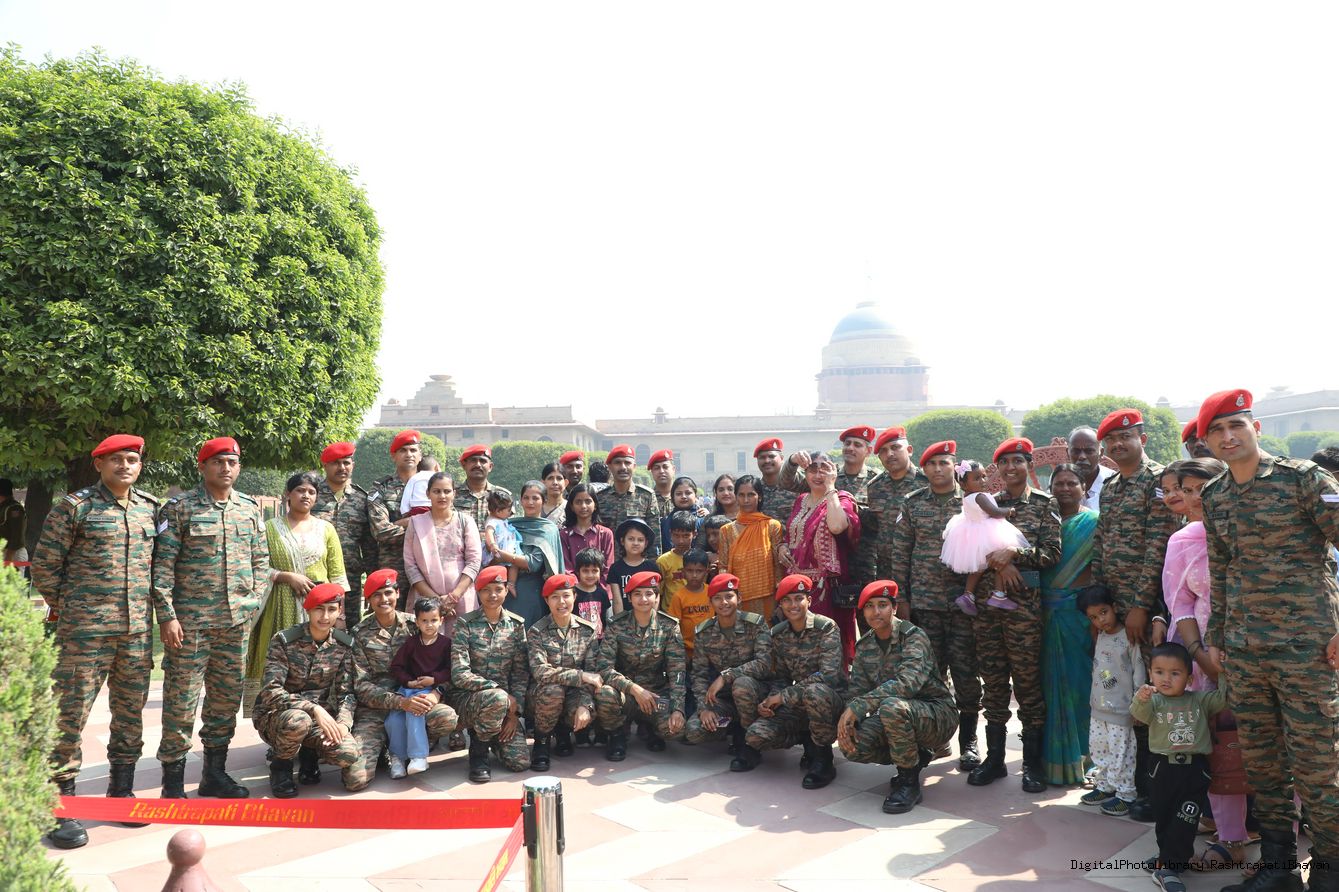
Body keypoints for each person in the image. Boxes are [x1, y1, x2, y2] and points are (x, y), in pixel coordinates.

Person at [1199, 388, 1339, 891]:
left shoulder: (1305, 479)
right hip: (1244, 651)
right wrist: (1218, 635)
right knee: (1262, 763)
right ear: (1208, 442)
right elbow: (1221, 568)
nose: (1228, 436)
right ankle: (1278, 868)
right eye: (1217, 430)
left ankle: (1330, 870)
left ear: (1255, 428)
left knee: (1318, 764)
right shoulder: (1214, 495)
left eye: (1236, 425)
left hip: (1308, 647)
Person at [33, 434, 158, 849]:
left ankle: (121, 792)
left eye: (132, 459)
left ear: (140, 465)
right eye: (116, 459)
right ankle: (60, 804)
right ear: (99, 464)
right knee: (69, 716)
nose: (125, 466)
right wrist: (72, 607)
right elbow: (45, 566)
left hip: (135, 633)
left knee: (130, 715)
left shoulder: (149, 508)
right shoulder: (75, 507)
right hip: (83, 634)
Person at [154, 437, 268, 800]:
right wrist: (167, 616)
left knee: (225, 701)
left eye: (232, 462)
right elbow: (163, 566)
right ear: (202, 467)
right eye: (218, 462)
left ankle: (214, 775)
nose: (226, 468)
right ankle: (172, 783)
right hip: (190, 626)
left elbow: (261, 561)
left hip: (234, 625)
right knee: (181, 702)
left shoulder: (249, 509)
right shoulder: (180, 509)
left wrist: (252, 603)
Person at [1161, 456, 1251, 871]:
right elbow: (1180, 604)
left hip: (1259, 653)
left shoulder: (1252, 529)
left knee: (1273, 746)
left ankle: (1281, 841)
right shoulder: (1182, 540)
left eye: (1203, 488)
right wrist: (1201, 655)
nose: (1195, 497)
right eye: (1188, 490)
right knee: (1217, 745)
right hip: (1204, 659)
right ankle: (1230, 837)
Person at [1091, 407, 1180, 823]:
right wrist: (1100, 607)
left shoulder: (1159, 482)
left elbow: (1158, 544)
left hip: (1146, 609)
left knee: (1150, 690)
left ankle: (1149, 788)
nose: (1118, 444)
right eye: (1111, 440)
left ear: (1142, 439)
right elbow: (1101, 542)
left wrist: (1141, 605)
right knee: (1124, 690)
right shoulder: (1110, 487)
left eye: (1125, 437)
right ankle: (1125, 779)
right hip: (1116, 610)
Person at [966, 438, 1061, 794]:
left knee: (1027, 685)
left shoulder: (1044, 504)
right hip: (988, 608)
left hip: (1024, 609)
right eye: (1004, 462)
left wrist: (1014, 554)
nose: (1010, 468)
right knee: (992, 683)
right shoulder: (988, 504)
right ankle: (994, 759)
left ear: (1028, 465)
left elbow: (1052, 553)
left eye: (1017, 461)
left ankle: (1032, 764)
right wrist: (998, 562)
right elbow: (970, 548)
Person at [888, 440, 981, 771]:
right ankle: (935, 737)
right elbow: (901, 553)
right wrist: (902, 599)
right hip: (925, 606)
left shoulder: (971, 501)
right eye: (932, 464)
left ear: (954, 466)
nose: (938, 469)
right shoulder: (913, 503)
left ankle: (969, 741)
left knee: (967, 674)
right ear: (924, 469)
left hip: (963, 605)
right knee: (930, 674)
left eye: (944, 463)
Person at [837, 580, 956, 815]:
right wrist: (849, 721)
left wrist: (859, 706)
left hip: (936, 713)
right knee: (852, 746)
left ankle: (908, 782)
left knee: (892, 707)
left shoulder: (913, 637)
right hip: (897, 716)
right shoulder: (865, 645)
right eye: (869, 606)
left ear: (894, 608)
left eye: (882, 604)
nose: (876, 611)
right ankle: (918, 755)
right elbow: (856, 691)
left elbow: (906, 684)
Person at [342, 569, 457, 792]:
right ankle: (386, 749)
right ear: (369, 600)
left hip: (418, 698)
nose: (384, 599)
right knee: (355, 779)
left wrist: (437, 693)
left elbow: (447, 666)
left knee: (445, 718)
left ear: (397, 593)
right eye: (377, 595)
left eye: (388, 592)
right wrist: (400, 702)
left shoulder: (417, 623)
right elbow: (360, 685)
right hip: (376, 709)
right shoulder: (359, 633)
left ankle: (413, 749)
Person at [244, 471, 348, 717]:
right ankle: (275, 720)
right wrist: (285, 576)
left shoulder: (326, 529)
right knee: (281, 663)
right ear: (287, 494)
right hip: (280, 606)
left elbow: (338, 575)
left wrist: (340, 615)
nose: (306, 495)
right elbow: (256, 566)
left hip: (321, 611)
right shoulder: (270, 528)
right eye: (300, 490)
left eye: (311, 492)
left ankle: (315, 721)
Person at [1131, 643, 1229, 891]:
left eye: (1175, 673)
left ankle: (1169, 868)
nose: (1166, 678)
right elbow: (1139, 714)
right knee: (1164, 817)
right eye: (1159, 672)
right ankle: (1169, 856)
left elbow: (1222, 699)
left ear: (1189, 678)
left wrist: (1223, 671)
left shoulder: (1199, 700)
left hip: (1194, 770)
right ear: (1150, 674)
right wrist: (1141, 699)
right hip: (1162, 768)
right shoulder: (1154, 702)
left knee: (1186, 816)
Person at [252, 582, 360, 798]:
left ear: (339, 610)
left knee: (347, 753)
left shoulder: (344, 645)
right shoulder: (285, 641)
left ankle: (310, 753)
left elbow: (346, 692)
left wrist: (343, 724)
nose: (325, 616)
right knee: (298, 720)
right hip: (279, 717)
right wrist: (313, 709)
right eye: (319, 609)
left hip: (319, 720)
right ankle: (281, 767)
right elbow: (271, 690)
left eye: (331, 609)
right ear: (308, 610)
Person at [740, 574, 847, 788]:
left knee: (815, 692)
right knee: (756, 736)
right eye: (787, 600)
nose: (793, 605)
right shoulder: (779, 634)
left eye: (799, 598)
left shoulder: (826, 628)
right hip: (799, 702)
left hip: (831, 702)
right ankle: (807, 740)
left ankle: (823, 759)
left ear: (809, 600)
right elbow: (782, 677)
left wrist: (783, 697)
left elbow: (828, 675)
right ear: (780, 605)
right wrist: (771, 700)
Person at [1039, 463, 1098, 787]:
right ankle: (1052, 761)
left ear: (1084, 488)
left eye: (1071, 483)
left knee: (1080, 686)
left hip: (1078, 617)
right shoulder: (1041, 524)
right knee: (1047, 690)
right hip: (1042, 617)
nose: (1064, 488)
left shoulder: (1094, 523)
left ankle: (1087, 759)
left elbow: (1101, 571)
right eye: (1058, 483)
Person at [777, 450, 862, 667]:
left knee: (828, 646)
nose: (818, 474)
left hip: (827, 589)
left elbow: (837, 526)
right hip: (798, 588)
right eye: (813, 469)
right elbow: (792, 534)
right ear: (805, 474)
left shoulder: (841, 498)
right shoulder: (801, 500)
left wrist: (831, 488)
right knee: (801, 646)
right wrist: (783, 546)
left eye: (825, 469)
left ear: (834, 472)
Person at [594, 570, 687, 760]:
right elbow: (603, 667)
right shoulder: (617, 625)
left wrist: (678, 709)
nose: (643, 599)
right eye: (637, 594)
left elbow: (677, 671)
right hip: (626, 694)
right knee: (604, 694)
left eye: (649, 593)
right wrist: (634, 689)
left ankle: (651, 727)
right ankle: (617, 735)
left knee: (675, 730)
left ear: (657, 597)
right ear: (629, 598)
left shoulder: (669, 626)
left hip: (655, 695)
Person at [449, 566, 531, 782]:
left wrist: (514, 715)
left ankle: (492, 734)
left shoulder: (516, 625)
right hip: (468, 699)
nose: (492, 595)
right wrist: (499, 692)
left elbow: (520, 673)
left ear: (506, 590)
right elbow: (459, 673)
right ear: (478, 592)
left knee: (520, 762)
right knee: (496, 697)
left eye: (498, 589)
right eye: (486, 590)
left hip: (504, 706)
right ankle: (479, 752)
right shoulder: (465, 624)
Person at [684, 573, 774, 767]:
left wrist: (726, 676)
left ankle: (750, 746)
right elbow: (698, 675)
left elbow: (764, 664)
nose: (724, 602)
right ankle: (733, 727)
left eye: (729, 596)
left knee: (742, 684)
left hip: (757, 695)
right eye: (717, 598)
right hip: (726, 700)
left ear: (739, 598)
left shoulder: (755, 624)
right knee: (694, 730)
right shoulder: (704, 632)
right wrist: (704, 708)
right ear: (710, 602)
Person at [783, 426, 881, 586]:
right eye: (847, 443)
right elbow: (787, 482)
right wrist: (792, 461)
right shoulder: (825, 475)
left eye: (857, 445)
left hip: (866, 559)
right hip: (831, 561)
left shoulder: (877, 481)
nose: (850, 448)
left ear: (868, 451)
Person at [1077, 585, 1145, 818]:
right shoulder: (1101, 636)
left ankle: (1126, 795)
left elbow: (1138, 670)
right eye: (1093, 617)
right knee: (1100, 749)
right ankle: (1105, 786)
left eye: (1103, 612)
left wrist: (1138, 704)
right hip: (1098, 709)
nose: (1100, 620)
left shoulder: (1128, 636)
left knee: (1121, 753)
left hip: (1121, 711)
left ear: (1114, 608)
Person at [527, 573, 603, 770]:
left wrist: (585, 705)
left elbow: (593, 674)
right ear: (547, 601)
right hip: (543, 695)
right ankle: (542, 741)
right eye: (555, 597)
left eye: (566, 595)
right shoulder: (537, 632)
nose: (561, 602)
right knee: (553, 690)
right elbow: (541, 672)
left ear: (574, 597)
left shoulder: (588, 630)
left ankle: (564, 732)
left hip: (574, 694)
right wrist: (580, 675)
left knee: (595, 696)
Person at [313, 440, 393, 627]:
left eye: (346, 463)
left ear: (353, 465)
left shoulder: (361, 499)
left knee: (349, 626)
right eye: (336, 463)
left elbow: (369, 546)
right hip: (316, 575)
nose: (342, 467)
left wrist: (374, 584)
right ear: (325, 466)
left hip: (350, 578)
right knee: (315, 624)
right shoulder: (312, 495)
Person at [939, 459, 1029, 615]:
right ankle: (999, 594)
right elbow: (994, 512)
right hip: (987, 531)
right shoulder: (980, 496)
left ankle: (968, 594)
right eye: (977, 478)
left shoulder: (967, 496)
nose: (983, 481)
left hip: (971, 533)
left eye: (984, 476)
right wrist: (1008, 511)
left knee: (977, 568)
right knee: (1001, 561)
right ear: (964, 485)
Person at [404, 472, 481, 638]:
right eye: (436, 491)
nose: (442, 496)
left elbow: (474, 561)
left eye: (447, 491)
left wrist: (453, 597)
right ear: (428, 494)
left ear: (454, 493)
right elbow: (410, 566)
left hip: (461, 598)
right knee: (428, 646)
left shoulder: (465, 522)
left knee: (461, 644)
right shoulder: (416, 523)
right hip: (425, 600)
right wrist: (436, 600)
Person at [385, 596, 452, 777]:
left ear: (441, 620)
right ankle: (398, 758)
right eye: (424, 621)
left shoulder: (446, 644)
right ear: (417, 622)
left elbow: (450, 670)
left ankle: (418, 756)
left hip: (427, 691)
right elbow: (397, 667)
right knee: (393, 720)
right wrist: (408, 682)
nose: (429, 625)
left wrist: (434, 679)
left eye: (433, 620)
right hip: (407, 689)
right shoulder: (412, 643)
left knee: (415, 711)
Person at [494, 481, 564, 627]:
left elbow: (533, 563)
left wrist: (503, 555)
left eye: (535, 498)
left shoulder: (548, 529)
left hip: (533, 592)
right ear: (520, 500)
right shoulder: (509, 524)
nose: (530, 502)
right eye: (526, 498)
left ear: (544, 500)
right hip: (505, 591)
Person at [717, 474, 784, 619]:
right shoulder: (726, 531)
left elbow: (778, 566)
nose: (746, 500)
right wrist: (726, 596)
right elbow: (723, 566)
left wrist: (780, 599)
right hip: (738, 599)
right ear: (736, 497)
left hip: (768, 597)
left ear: (759, 497)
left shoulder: (772, 526)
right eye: (741, 495)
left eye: (751, 495)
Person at [370, 430, 425, 606]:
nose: (409, 454)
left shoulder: (432, 485)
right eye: (403, 450)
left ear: (420, 455)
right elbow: (381, 532)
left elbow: (443, 523)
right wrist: (420, 523)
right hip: (394, 566)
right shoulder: (381, 489)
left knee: (429, 616)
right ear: (393, 456)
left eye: (413, 450)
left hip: (428, 565)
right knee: (394, 615)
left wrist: (400, 524)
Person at [865, 426, 924, 582]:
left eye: (895, 447)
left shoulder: (927, 483)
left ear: (909, 450)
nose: (890, 454)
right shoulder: (875, 486)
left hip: (922, 572)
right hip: (886, 571)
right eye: (883, 451)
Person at [596, 444, 661, 558]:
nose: (623, 467)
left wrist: (652, 564)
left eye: (627, 463)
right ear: (610, 467)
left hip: (637, 563)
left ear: (634, 466)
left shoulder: (646, 496)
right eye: (617, 463)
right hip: (607, 563)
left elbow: (654, 537)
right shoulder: (599, 497)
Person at [560, 483, 615, 592]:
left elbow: (608, 568)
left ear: (595, 505)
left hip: (601, 592)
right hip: (574, 593)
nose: (583, 506)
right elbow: (567, 569)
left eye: (588, 501)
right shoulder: (564, 535)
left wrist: (598, 592)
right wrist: (579, 590)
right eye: (578, 502)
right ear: (572, 506)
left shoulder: (605, 534)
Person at [667, 549, 713, 660]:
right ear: (683, 572)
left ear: (706, 571)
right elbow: (673, 627)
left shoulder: (712, 592)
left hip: (711, 650)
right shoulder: (679, 597)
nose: (694, 575)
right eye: (690, 571)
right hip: (688, 652)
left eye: (699, 571)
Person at [456, 444, 512, 533]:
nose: (478, 465)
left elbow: (510, 527)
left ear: (490, 467)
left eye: (483, 461)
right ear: (464, 465)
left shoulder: (503, 495)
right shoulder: (452, 494)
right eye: (473, 460)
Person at [609, 517, 657, 614]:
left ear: (646, 543)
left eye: (640, 540)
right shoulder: (615, 568)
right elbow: (617, 600)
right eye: (631, 539)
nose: (635, 543)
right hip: (625, 619)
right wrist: (620, 621)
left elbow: (656, 596)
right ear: (622, 541)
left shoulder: (652, 567)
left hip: (647, 617)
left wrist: (653, 618)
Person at [1067, 426, 1117, 512]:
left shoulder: (1115, 483)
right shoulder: (1060, 480)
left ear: (1101, 453)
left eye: (1089, 451)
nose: (1082, 457)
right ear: (1067, 453)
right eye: (1076, 451)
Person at [657, 510, 698, 610]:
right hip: (670, 613)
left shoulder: (700, 558)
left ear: (694, 534)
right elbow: (658, 592)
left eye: (686, 536)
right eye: (676, 535)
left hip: (695, 611)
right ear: (670, 534)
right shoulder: (663, 561)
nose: (681, 541)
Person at [481, 489, 520, 590]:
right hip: (497, 551)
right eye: (508, 510)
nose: (511, 512)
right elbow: (489, 533)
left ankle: (511, 584)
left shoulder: (502, 520)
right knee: (496, 571)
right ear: (498, 511)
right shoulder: (492, 521)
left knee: (514, 564)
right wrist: (492, 545)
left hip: (508, 549)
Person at [753, 438, 795, 523]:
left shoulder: (794, 487)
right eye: (762, 457)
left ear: (782, 458)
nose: (767, 461)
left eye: (771, 456)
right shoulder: (754, 490)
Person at [571, 548, 612, 634]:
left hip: (599, 638)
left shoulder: (602, 593)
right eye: (585, 571)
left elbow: (605, 618)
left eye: (594, 571)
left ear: (600, 572)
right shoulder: (572, 593)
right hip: (578, 639)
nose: (590, 575)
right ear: (578, 571)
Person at [0, 476, 28, 564]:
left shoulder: (14, 509)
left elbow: (17, 535)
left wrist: (8, 558)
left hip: (13, 554)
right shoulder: (3, 507)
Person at [648, 449, 677, 519]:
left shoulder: (683, 497)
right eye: (657, 468)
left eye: (665, 467)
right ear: (652, 472)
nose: (661, 471)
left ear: (673, 469)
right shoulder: (646, 499)